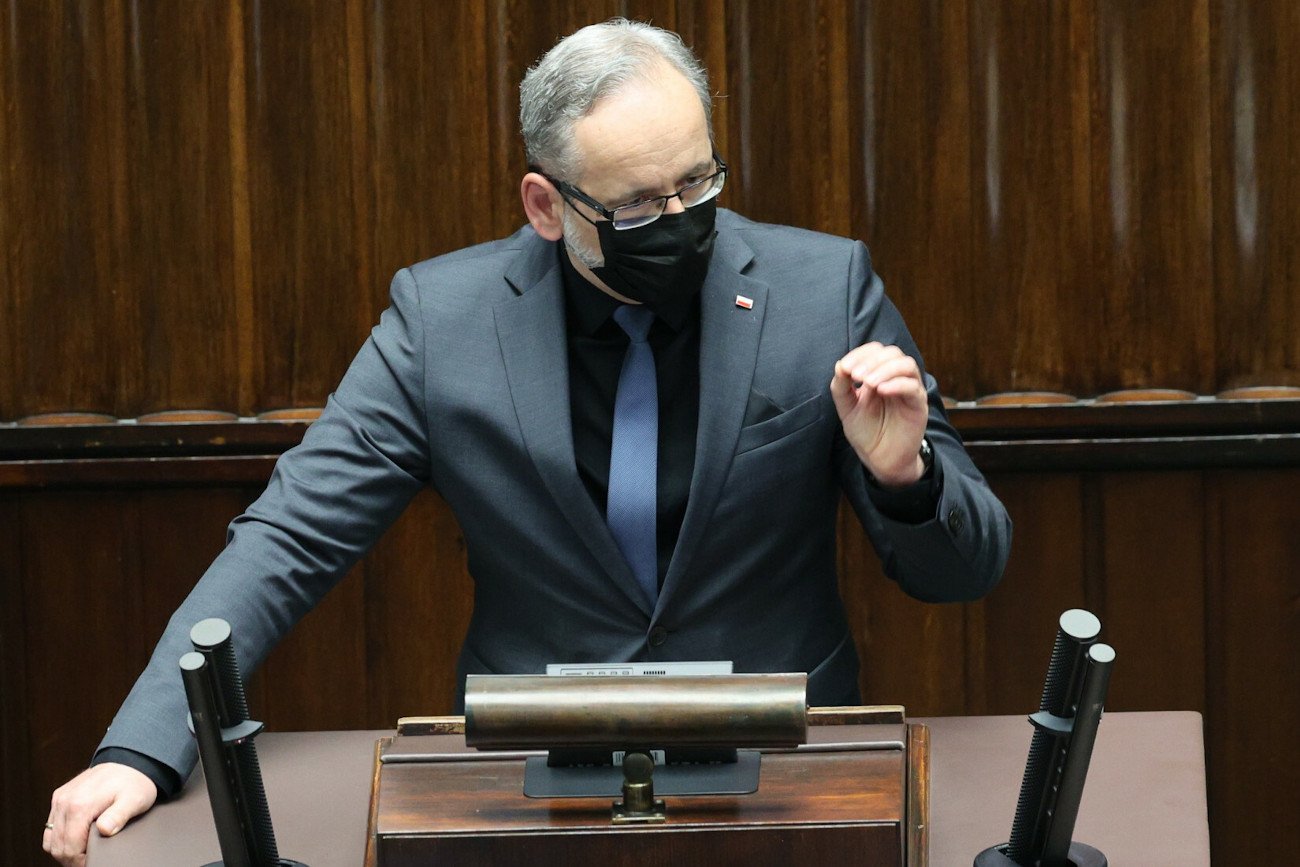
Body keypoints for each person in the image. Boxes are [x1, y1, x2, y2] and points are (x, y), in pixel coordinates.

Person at [43, 18, 1011, 865]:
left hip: (792, 775)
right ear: (547, 205)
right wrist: (145, 745)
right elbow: (292, 535)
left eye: (697, 182)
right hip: (527, 779)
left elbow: (965, 573)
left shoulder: (823, 292)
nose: (680, 222)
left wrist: (906, 478)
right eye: (637, 206)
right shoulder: (443, 322)